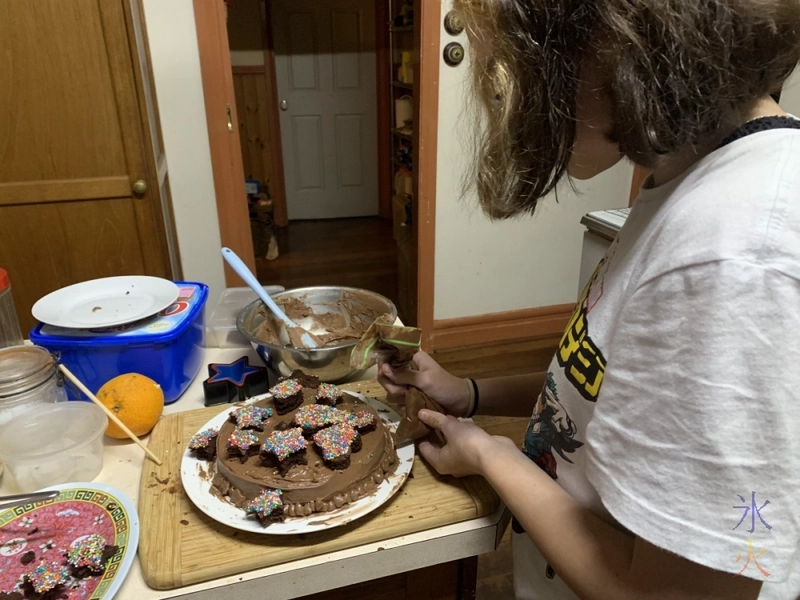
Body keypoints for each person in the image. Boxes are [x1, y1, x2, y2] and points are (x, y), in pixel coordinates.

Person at [379, 1, 800, 598]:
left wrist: (494, 458)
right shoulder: (690, 182)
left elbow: (670, 594)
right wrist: (470, 393)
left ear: (615, 39)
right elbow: (611, 389)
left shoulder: (731, 258)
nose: (510, 94)